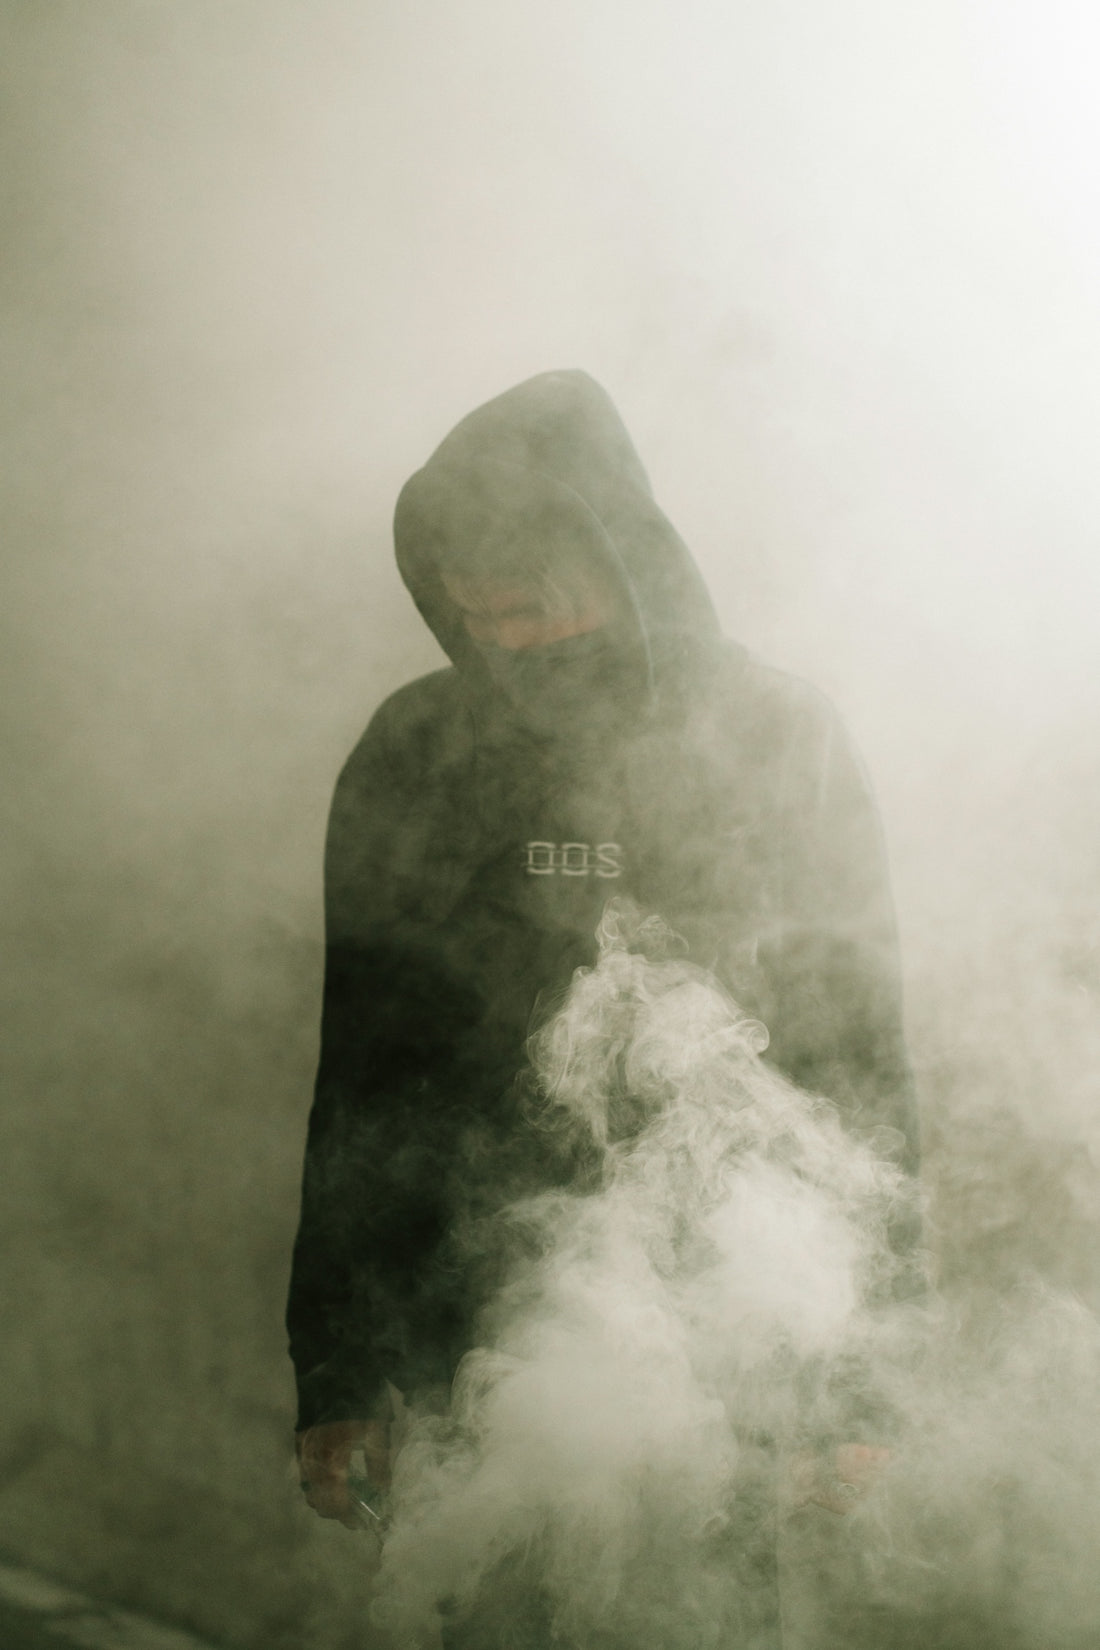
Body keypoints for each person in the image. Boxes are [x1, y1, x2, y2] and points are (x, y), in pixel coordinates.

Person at [286, 370, 920, 1581]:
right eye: (477, 621)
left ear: (616, 565)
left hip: (743, 1335)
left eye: (532, 612)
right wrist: (335, 1363)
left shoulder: (778, 739)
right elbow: (360, 1073)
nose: (504, 646)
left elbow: (857, 1064)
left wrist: (858, 1390)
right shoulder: (414, 752)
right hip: (472, 1354)